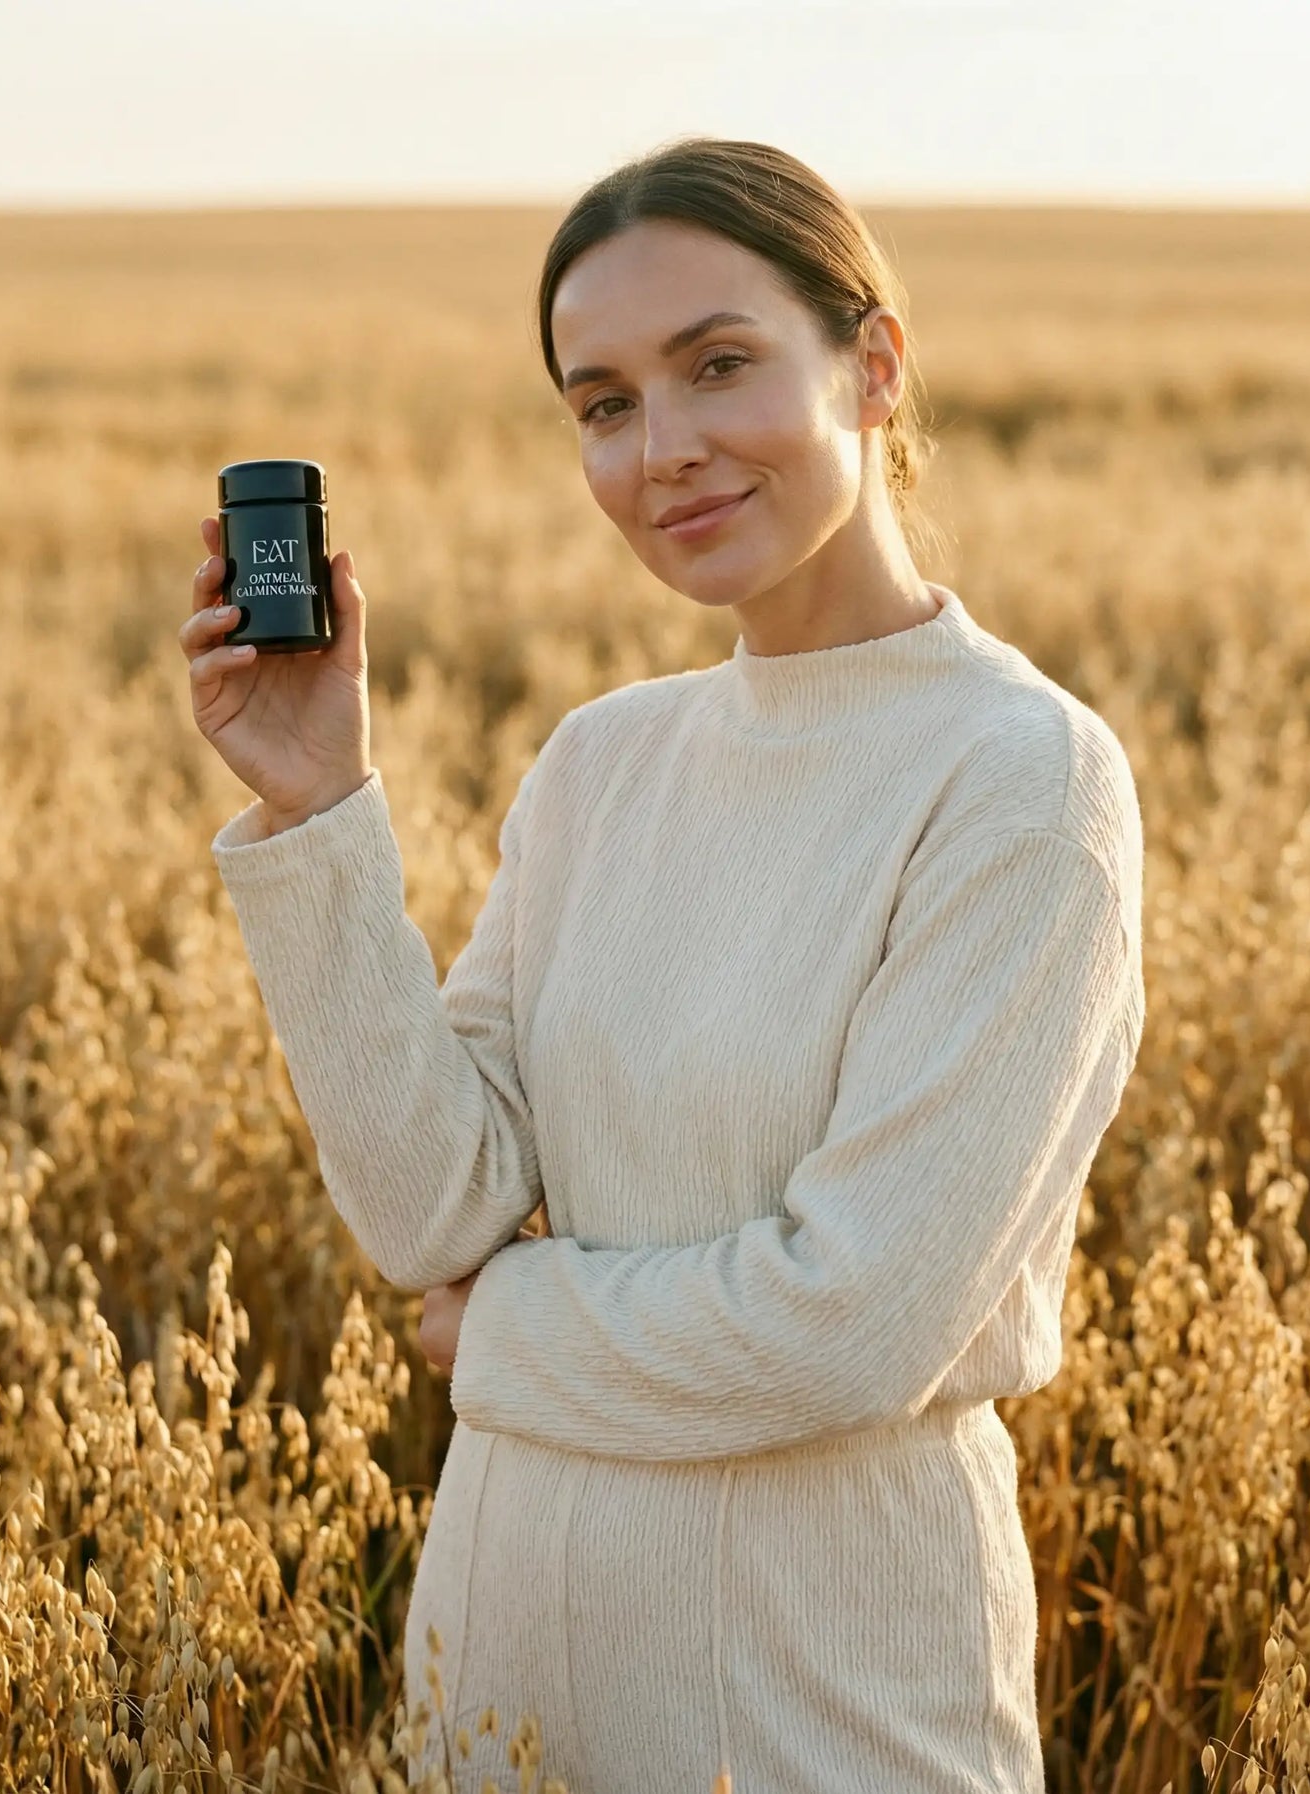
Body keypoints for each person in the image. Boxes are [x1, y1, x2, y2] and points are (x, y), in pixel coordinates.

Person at [181, 135, 1145, 1794]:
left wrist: (501, 1333)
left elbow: (849, 1322)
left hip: (816, 1711)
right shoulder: (601, 761)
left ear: (872, 364)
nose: (662, 450)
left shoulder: (1019, 781)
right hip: (494, 1699)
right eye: (604, 403)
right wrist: (317, 808)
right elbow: (431, 1209)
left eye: (716, 364)